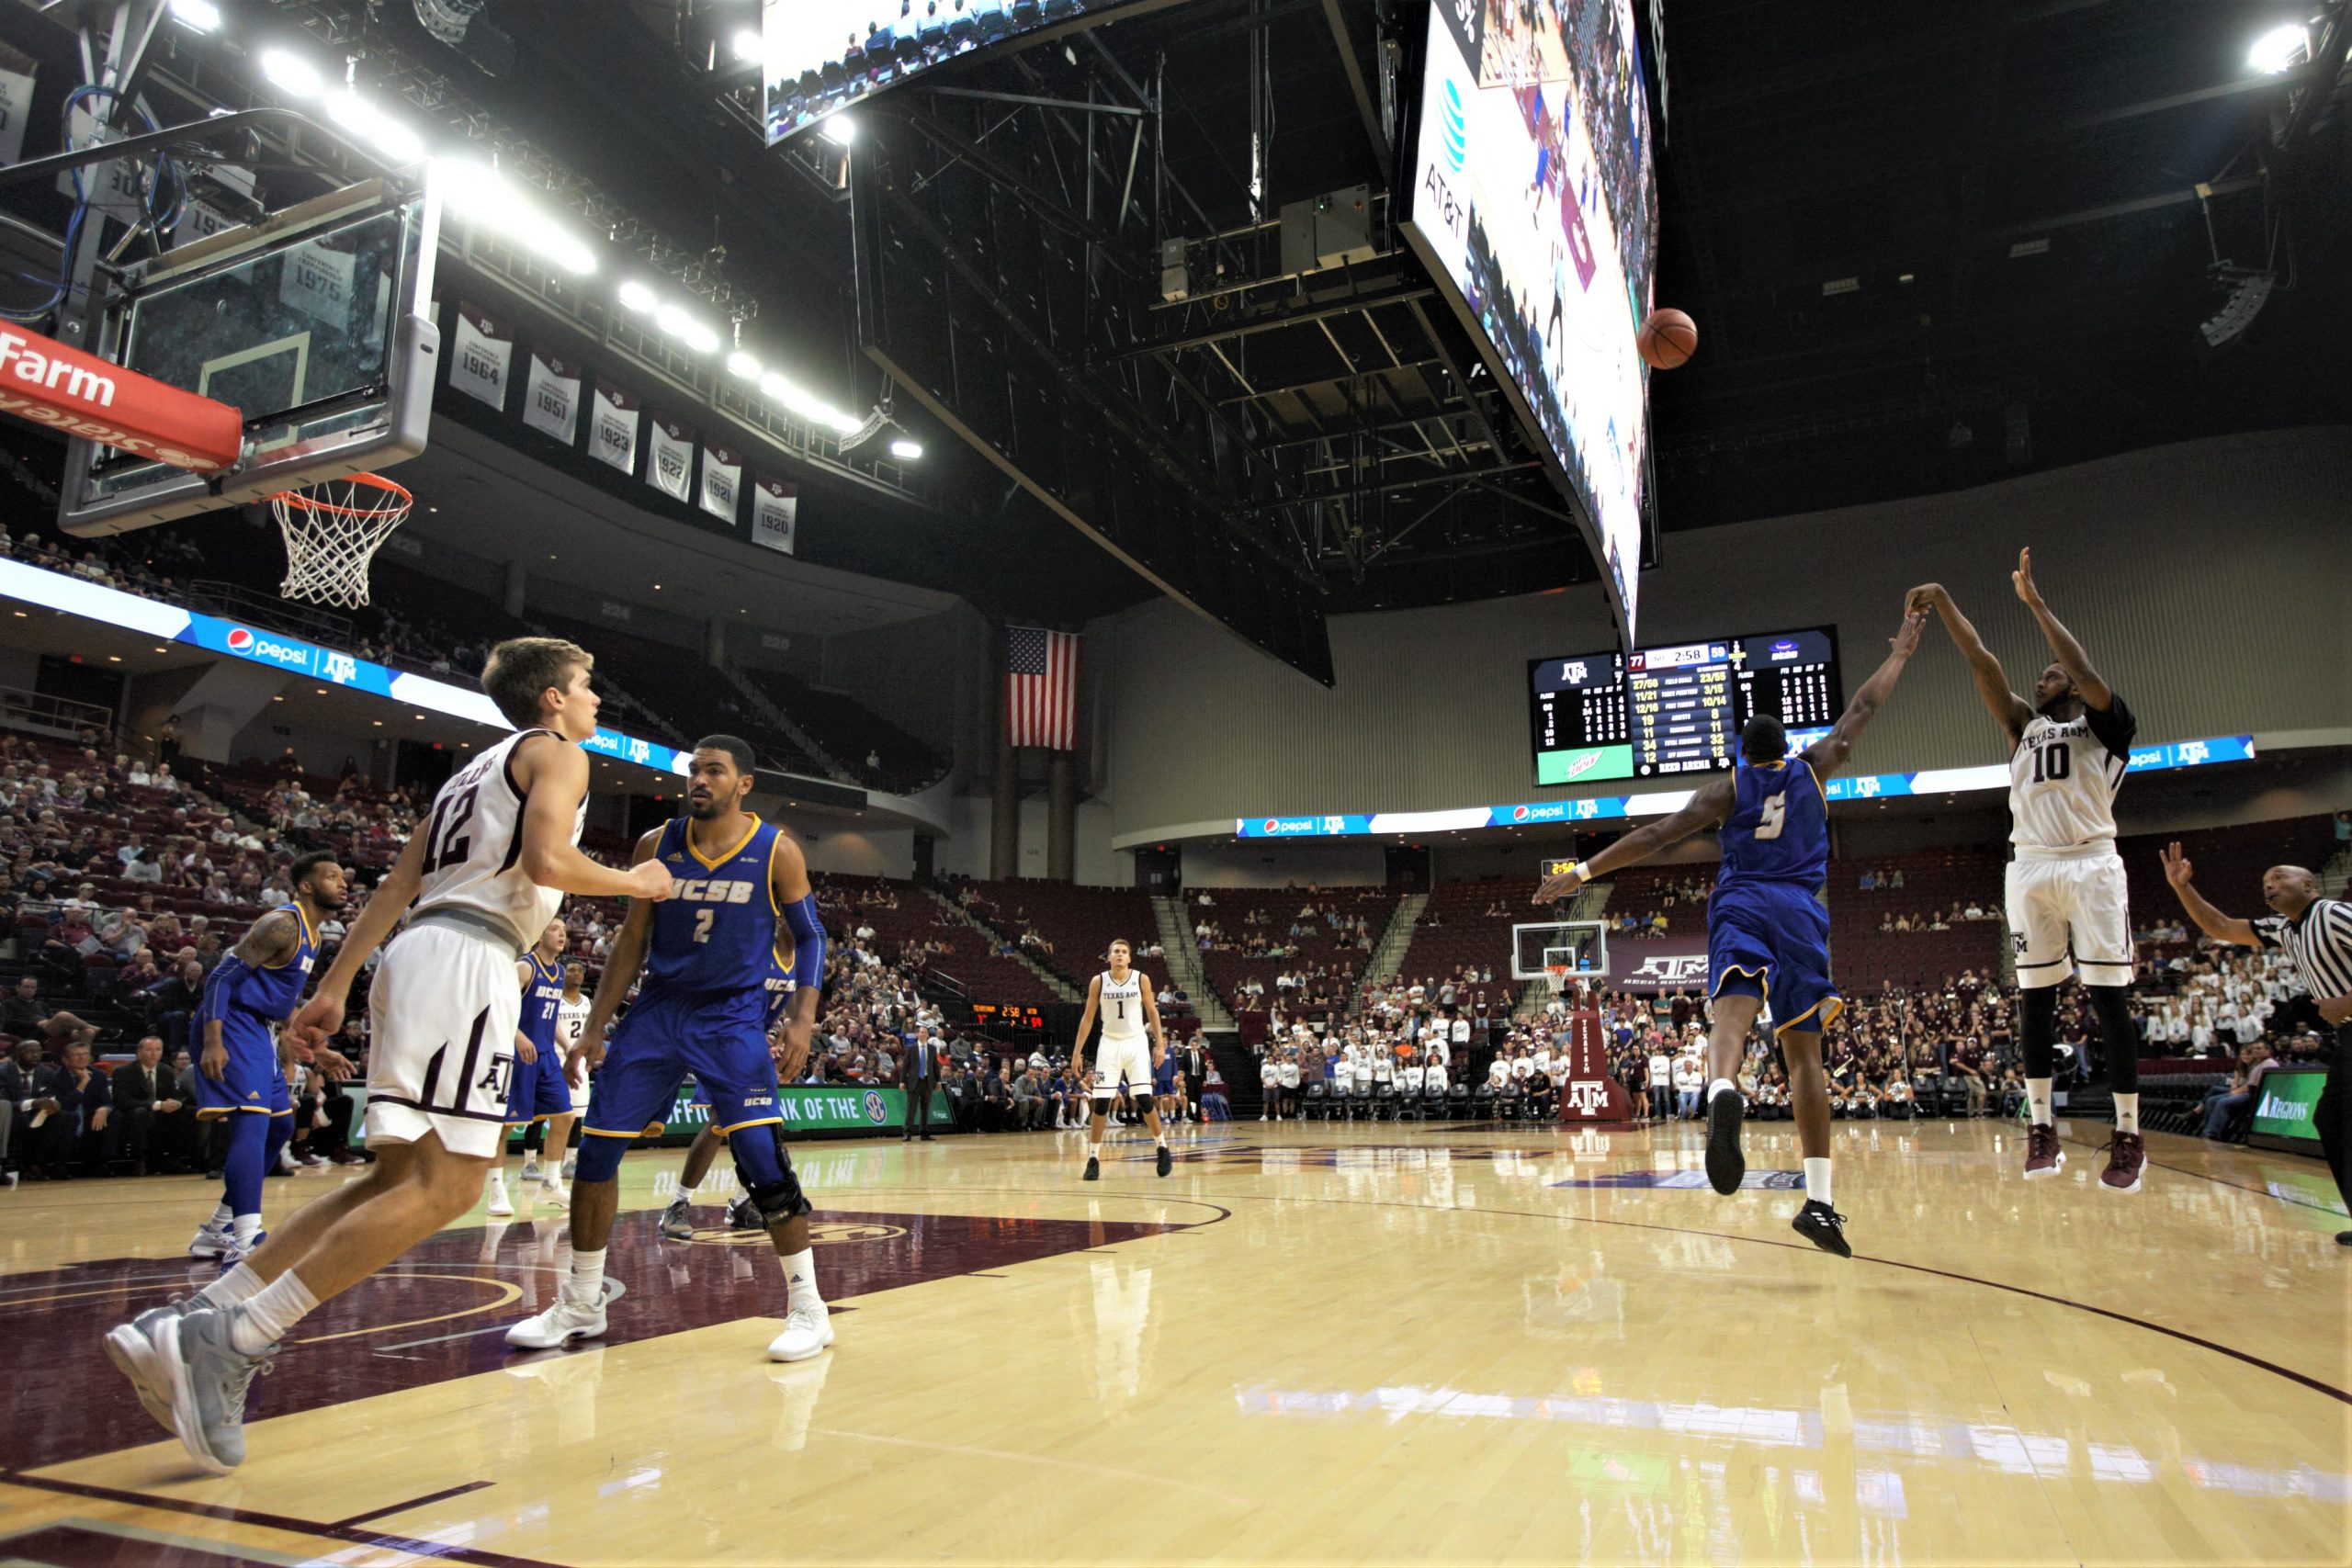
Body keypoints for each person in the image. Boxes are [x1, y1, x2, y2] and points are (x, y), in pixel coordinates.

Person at [102, 637, 675, 1475]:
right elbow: (549, 862)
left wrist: (335, 984)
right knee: (451, 1186)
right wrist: (641, 884)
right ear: (552, 699)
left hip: (414, 954)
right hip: (469, 962)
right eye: (587, 687)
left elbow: (395, 886)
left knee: (389, 1178)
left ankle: (197, 1312)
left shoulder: (466, 776)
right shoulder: (559, 754)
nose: (595, 702)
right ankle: (233, 1340)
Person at [1534, 604, 1927, 1258]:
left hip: (1743, 899)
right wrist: (1901, 654)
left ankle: (1721, 1090)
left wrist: (1580, 871)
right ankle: (1821, 1203)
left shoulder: (1729, 788)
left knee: (1731, 1020)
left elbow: (1657, 835)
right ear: (1788, 750)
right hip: (1801, 908)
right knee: (1805, 1056)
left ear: (1744, 753)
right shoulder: (1816, 766)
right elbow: (1861, 707)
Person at [511, 735, 828, 1358]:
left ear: (744, 784)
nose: (699, 780)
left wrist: (802, 1015)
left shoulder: (775, 850)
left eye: (714, 771)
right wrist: (599, 1021)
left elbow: (810, 935)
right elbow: (632, 938)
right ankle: (581, 1301)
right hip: (658, 1009)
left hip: (732, 1015)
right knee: (597, 1149)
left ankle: (808, 1307)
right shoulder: (655, 845)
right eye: (694, 770)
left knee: (761, 1157)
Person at [1912, 553, 2148, 1192]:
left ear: (2070, 684)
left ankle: (2128, 1133)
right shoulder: (2022, 725)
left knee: (2107, 999)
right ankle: (2040, 1127)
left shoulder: (2107, 727)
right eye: (2042, 675)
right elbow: (1981, 660)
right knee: (2034, 1001)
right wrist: (1944, 598)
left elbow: (2088, 672)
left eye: (2051, 674)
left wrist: (2037, 605)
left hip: (2092, 861)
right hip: (2031, 864)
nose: (2041, 678)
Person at [2160, 846, 2351, 1245]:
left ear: (2309, 884)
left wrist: (2346, 1001)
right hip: (2347, 1034)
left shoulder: (2332, 914)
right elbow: (2223, 927)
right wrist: (2183, 888)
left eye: (2279, 878)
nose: (2269, 886)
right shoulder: (2285, 929)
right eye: (2265, 883)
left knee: (2334, 1118)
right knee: (2333, 1119)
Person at [180, 852, 348, 1266]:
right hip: (231, 1023)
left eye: (343, 877)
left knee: (281, 1127)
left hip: (260, 1028)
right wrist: (212, 1040)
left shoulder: (315, 935)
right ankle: (246, 1237)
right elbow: (220, 978)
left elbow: (278, 998)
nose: (342, 884)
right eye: (332, 877)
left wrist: (317, 1048)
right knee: (252, 1124)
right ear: (306, 885)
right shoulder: (282, 924)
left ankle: (218, 1228)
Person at [486, 919, 581, 1216]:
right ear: (539, 934)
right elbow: (495, 1003)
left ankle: (551, 1184)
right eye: (555, 928)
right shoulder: (525, 967)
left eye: (563, 930)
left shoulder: (559, 972)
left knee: (565, 1116)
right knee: (504, 1127)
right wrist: (517, 1035)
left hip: (546, 1057)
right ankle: (496, 1190)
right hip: (516, 1055)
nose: (561, 933)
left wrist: (567, 1046)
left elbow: (549, 1018)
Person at [1069, 939, 1172, 1181]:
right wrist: (1077, 1052)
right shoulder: (1099, 981)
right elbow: (1087, 1018)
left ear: (1129, 958)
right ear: (1109, 957)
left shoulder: (1140, 979)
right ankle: (1093, 1158)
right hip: (1109, 1044)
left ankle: (1162, 1148)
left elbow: (1152, 1012)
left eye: (1124, 952)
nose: (1119, 955)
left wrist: (1159, 1043)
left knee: (1145, 1099)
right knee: (1102, 1103)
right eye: (1115, 951)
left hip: (1136, 1043)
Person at [111, 1033, 187, 1176]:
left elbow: (175, 1096)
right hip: (132, 1114)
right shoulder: (123, 1072)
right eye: (149, 1049)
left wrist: (176, 1103)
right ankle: (139, 1161)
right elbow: (122, 1101)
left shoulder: (166, 1070)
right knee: (140, 1113)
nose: (154, 1053)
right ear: (139, 1052)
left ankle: (175, 1159)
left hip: (161, 1114)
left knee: (184, 1111)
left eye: (158, 1049)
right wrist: (156, 1105)